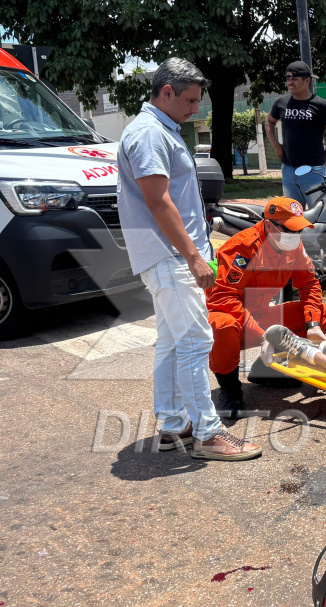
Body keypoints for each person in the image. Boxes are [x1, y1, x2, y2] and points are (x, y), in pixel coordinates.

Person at [117, 58, 260, 461]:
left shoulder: (160, 129)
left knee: (173, 343)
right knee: (197, 341)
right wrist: (195, 257)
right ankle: (208, 434)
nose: (196, 108)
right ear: (166, 92)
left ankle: (174, 424)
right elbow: (158, 201)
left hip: (168, 256)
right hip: (170, 257)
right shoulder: (148, 134)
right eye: (191, 100)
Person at [206, 196, 326, 417]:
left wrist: (313, 324)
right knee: (223, 324)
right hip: (228, 314)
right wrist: (263, 335)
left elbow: (309, 285)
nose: (295, 236)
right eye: (289, 230)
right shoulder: (243, 248)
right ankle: (230, 389)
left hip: (258, 314)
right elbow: (224, 300)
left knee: (325, 315)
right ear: (268, 224)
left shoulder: (291, 244)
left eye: (298, 230)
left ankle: (267, 370)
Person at [266, 61, 326, 207]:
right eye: (288, 78)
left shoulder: (321, 105)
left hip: (313, 171)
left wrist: (324, 158)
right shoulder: (281, 102)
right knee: (293, 215)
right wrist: (276, 146)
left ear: (307, 80)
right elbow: (269, 121)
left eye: (294, 79)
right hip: (288, 169)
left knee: (317, 215)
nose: (290, 82)